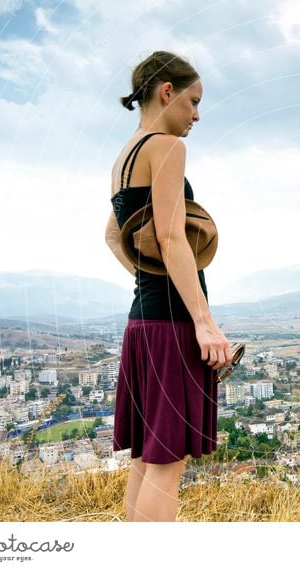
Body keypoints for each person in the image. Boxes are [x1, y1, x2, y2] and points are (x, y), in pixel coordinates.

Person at [103, 50, 232, 522]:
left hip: (142, 323)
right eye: (193, 101)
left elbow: (113, 235)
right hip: (172, 324)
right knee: (168, 463)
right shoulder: (167, 147)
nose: (196, 115)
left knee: (147, 459)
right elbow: (171, 235)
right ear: (166, 92)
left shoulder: (125, 156)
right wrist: (205, 323)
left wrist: (147, 277)